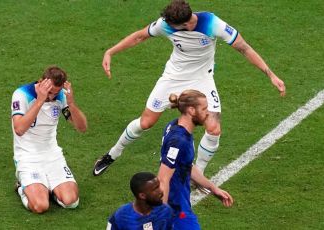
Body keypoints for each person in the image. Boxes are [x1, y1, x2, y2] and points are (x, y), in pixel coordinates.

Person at [93, 0, 286, 176]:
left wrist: (271, 75)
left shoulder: (213, 24)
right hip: (173, 78)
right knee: (146, 123)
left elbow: (244, 48)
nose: (167, 26)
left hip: (202, 79)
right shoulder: (166, 24)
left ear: (185, 23)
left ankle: (198, 174)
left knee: (214, 129)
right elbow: (140, 36)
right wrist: (110, 52)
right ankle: (112, 154)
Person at [11, 66, 87, 213]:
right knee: (40, 206)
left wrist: (71, 104)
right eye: (50, 91)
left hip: (52, 156)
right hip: (28, 157)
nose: (52, 96)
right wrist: (40, 101)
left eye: (56, 93)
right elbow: (19, 129)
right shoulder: (21, 94)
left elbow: (82, 128)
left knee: (71, 202)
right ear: (41, 82)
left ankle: (48, 188)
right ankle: (22, 187)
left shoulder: (61, 97)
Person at [158, 90, 233, 229]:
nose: (208, 113)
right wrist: (162, 216)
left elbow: (186, 165)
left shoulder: (175, 126)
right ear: (192, 110)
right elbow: (163, 179)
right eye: (204, 109)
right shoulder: (179, 141)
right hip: (175, 209)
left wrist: (213, 188)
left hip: (180, 204)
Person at [107, 172, 174, 230]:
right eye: (155, 189)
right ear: (142, 196)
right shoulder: (121, 217)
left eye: (158, 186)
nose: (161, 191)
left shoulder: (165, 211)